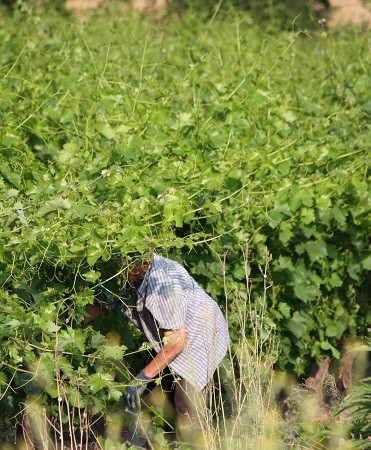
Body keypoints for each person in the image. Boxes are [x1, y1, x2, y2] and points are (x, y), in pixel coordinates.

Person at [86, 252, 230, 448]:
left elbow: (178, 342)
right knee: (148, 400)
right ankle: (152, 444)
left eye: (124, 265)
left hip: (201, 334)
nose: (119, 269)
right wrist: (69, 324)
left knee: (185, 406)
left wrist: (142, 378)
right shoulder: (129, 276)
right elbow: (101, 304)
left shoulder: (163, 287)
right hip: (170, 334)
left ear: (143, 264)